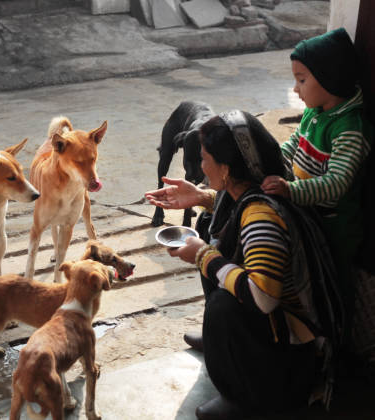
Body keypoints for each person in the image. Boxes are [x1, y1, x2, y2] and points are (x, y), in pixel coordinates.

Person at [145, 110, 338, 420]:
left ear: (226, 167)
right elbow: (226, 208)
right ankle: (222, 344)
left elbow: (263, 298)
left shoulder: (261, 216)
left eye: (205, 159)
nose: (201, 167)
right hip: (280, 338)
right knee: (210, 226)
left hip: (292, 363)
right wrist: (200, 197)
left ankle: (247, 397)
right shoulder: (251, 190)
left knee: (223, 302)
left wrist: (203, 256)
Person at [260, 28, 372, 338]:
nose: (295, 89)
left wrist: (290, 190)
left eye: (302, 79)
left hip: (334, 230)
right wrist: (270, 164)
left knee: (328, 289)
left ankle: (330, 341)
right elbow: (292, 145)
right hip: (309, 215)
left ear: (329, 77)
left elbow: (336, 183)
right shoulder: (314, 113)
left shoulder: (350, 128)